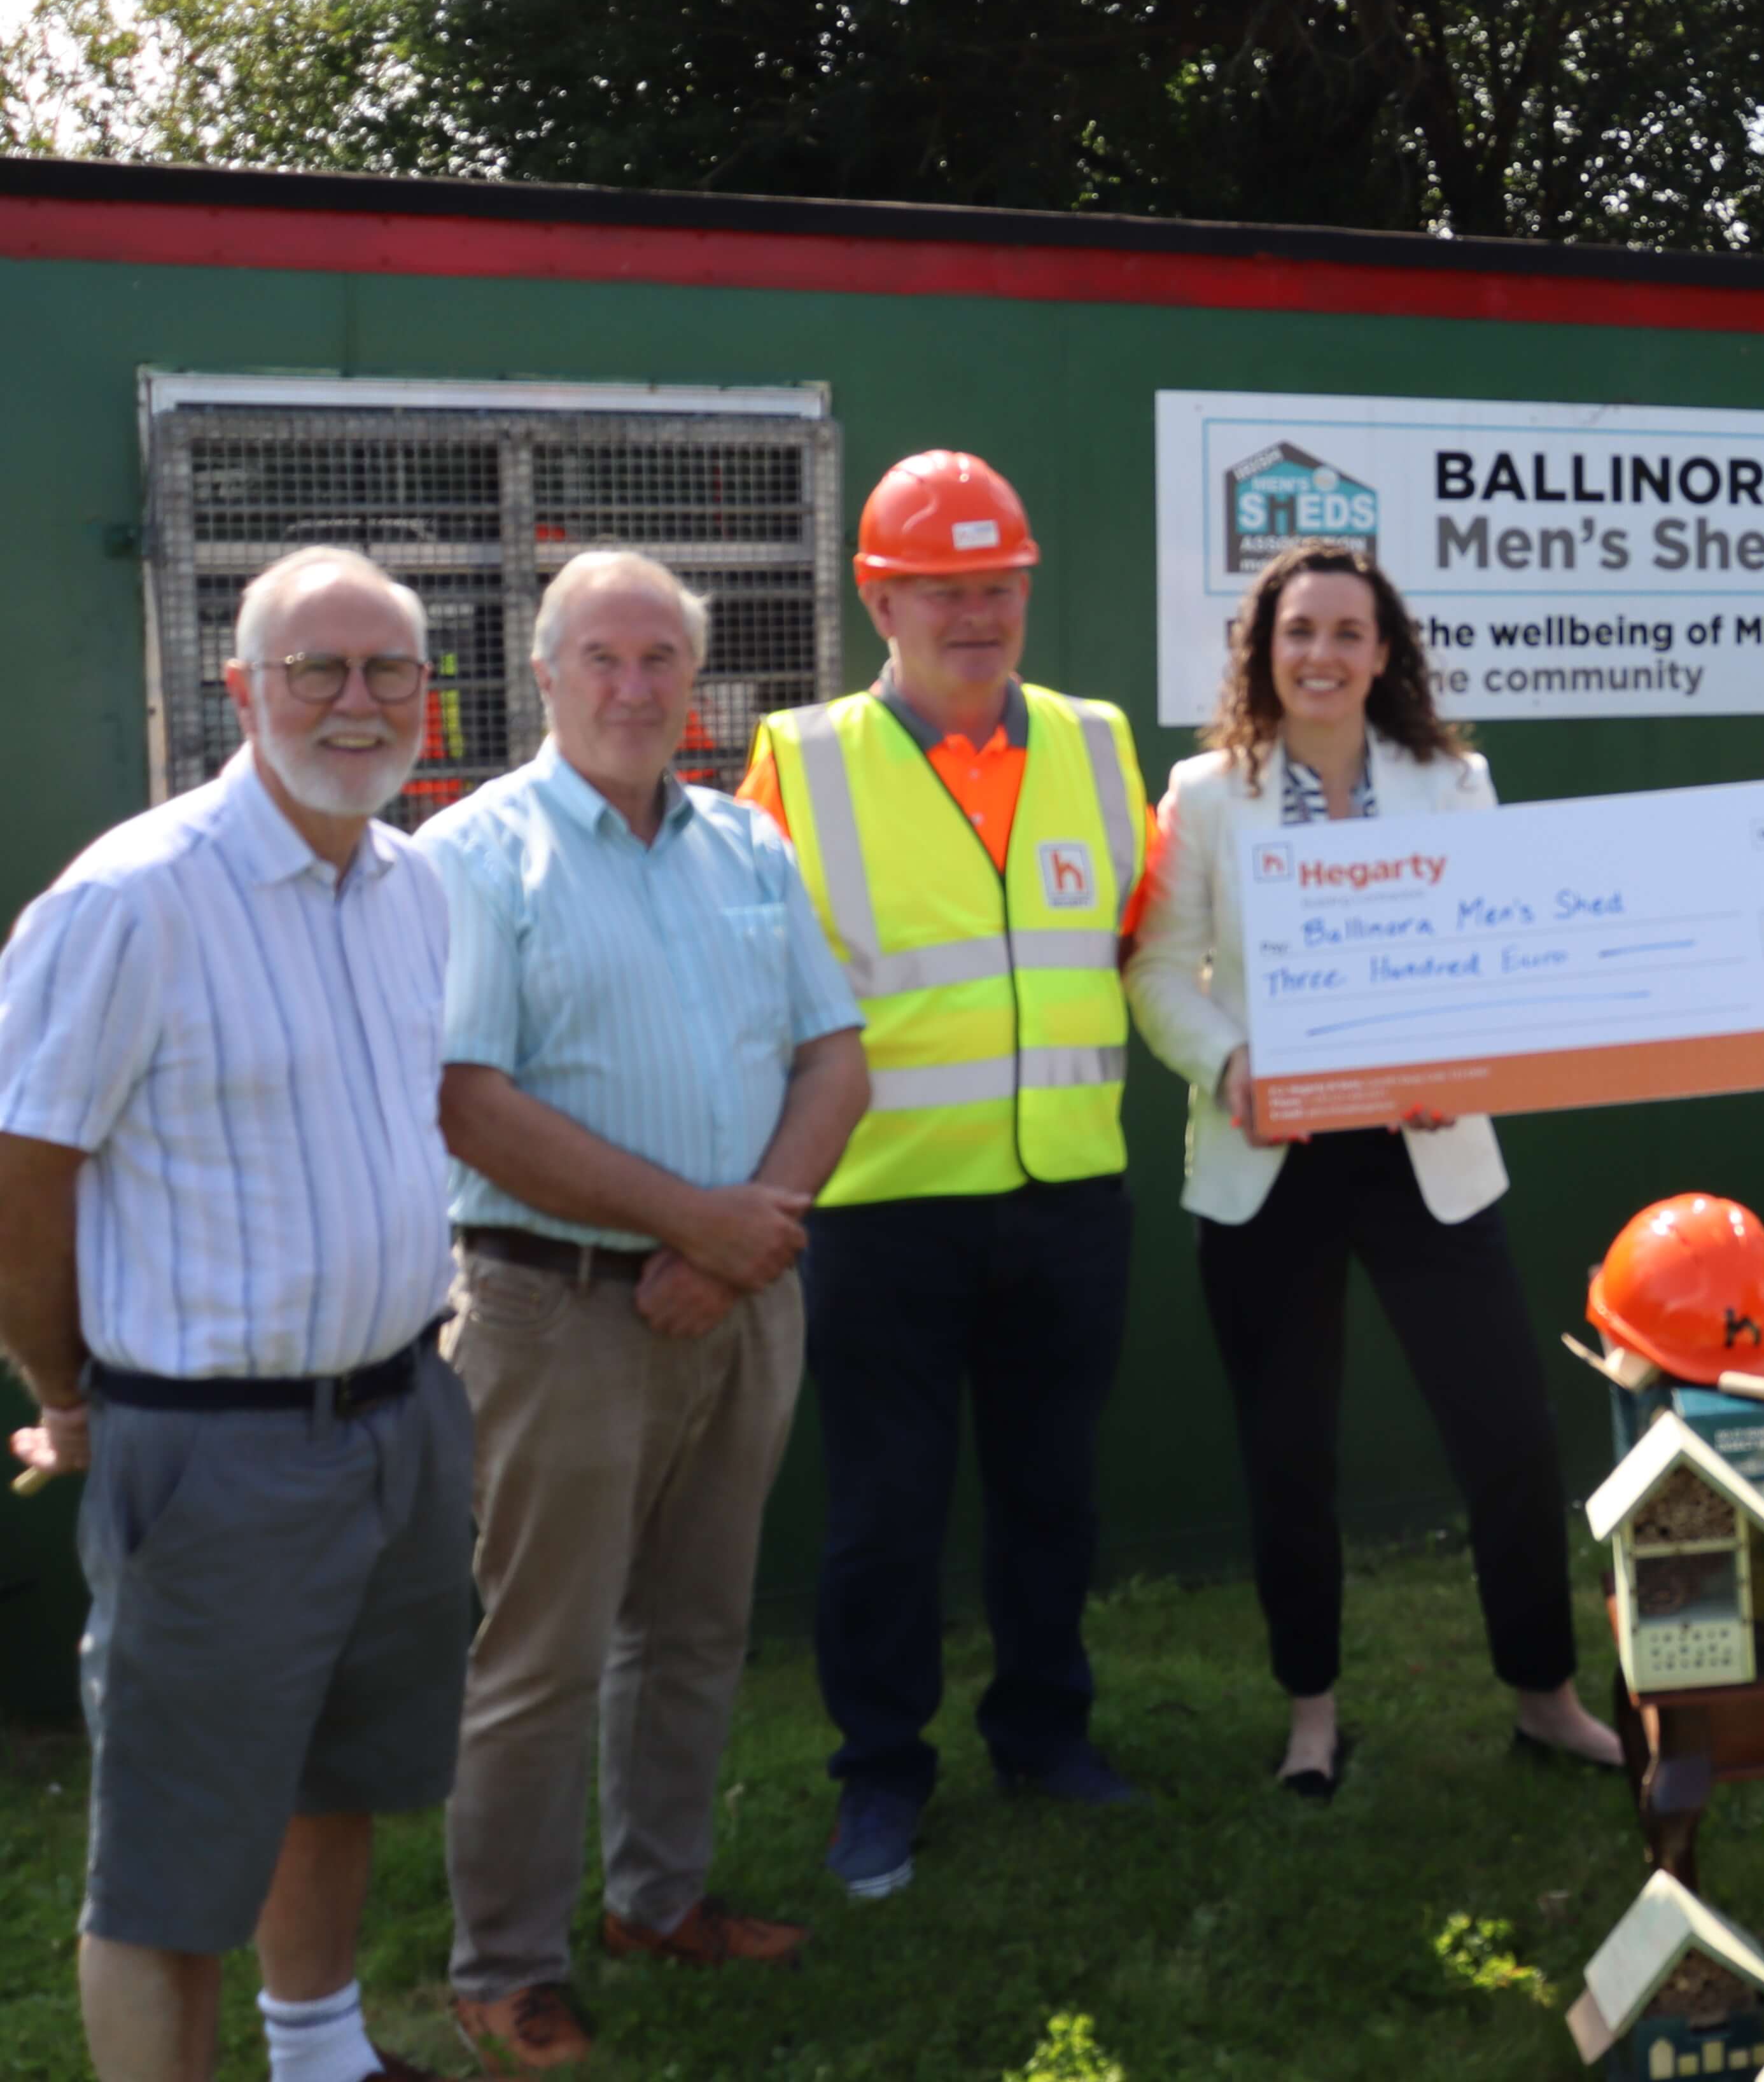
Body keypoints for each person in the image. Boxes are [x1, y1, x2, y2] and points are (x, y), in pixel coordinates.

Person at [0, 547, 466, 2082]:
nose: (353, 701)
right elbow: (25, 1171)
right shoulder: (133, 897)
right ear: (239, 689)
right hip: (213, 1452)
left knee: (340, 1770)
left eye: (386, 668)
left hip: (403, 1413)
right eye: (312, 669)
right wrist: (69, 1391)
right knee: (173, 1861)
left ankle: (322, 2052)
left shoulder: (415, 885)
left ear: (428, 691)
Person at [417, 554, 871, 2071]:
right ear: (541, 676)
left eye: (660, 657)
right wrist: (696, 1224)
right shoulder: (476, 853)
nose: (632, 686)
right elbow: (469, 1100)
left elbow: (835, 1060)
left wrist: (744, 1245)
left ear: (696, 678)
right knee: (540, 1653)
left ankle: (658, 1897)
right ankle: (503, 1966)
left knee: (695, 1625)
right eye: (599, 657)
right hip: (560, 1312)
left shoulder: (745, 843)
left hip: (741, 1302)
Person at [1124, 538, 1621, 1796]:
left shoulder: (1455, 782)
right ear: (1263, 648)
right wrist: (1231, 1063)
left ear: (1385, 651)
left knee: (1507, 1432)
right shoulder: (1203, 793)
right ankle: (1310, 1713)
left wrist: (1465, 1052)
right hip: (1266, 1161)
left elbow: (1497, 956)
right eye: (1298, 632)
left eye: (1348, 632)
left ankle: (1544, 1695)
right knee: (1288, 1451)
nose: (1322, 654)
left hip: (1429, 1151)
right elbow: (1155, 971)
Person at [736, 450, 1156, 1898]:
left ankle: (1046, 1732)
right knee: (884, 1511)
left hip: (1066, 1189)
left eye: (998, 587)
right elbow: (758, 985)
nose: (976, 615)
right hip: (882, 1204)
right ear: (880, 598)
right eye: (943, 591)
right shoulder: (800, 759)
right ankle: (880, 1777)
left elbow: (1147, 936)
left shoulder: (1100, 742)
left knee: (1054, 1492)